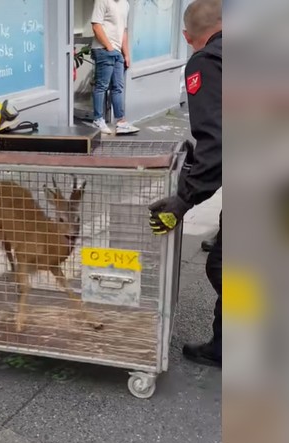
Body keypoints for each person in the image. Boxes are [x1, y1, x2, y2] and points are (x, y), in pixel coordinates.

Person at [148, 0, 222, 367]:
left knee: (224, 266)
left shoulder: (208, 62)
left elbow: (219, 142)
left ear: (187, 37)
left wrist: (184, 199)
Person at [90, 0, 139, 135]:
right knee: (102, 86)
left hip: (117, 51)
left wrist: (126, 54)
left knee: (118, 87)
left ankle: (121, 122)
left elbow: (123, 31)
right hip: (103, 49)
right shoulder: (102, 1)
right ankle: (98, 119)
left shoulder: (125, 4)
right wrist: (109, 47)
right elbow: (96, 26)